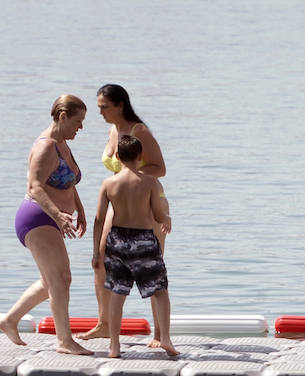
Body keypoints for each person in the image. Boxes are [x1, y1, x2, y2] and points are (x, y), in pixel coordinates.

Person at [0, 95, 92, 355]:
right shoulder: (45, 147)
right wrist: (58, 214)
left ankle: (9, 320)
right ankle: (64, 340)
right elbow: (35, 186)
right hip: (38, 216)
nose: (81, 128)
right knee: (61, 278)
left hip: (52, 218)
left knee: (49, 281)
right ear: (62, 117)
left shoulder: (63, 144)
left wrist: (80, 210)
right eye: (78, 121)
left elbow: (68, 182)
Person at [80, 84, 169, 346]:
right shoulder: (111, 131)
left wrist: (132, 178)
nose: (101, 113)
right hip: (117, 200)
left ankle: (159, 334)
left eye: (104, 107)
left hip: (147, 200)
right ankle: (104, 324)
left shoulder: (139, 132)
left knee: (151, 266)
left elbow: (160, 168)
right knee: (100, 260)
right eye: (99, 108)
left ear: (120, 105)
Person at [92, 134, 178, 359]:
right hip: (143, 240)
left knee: (117, 294)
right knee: (159, 291)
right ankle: (165, 338)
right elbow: (157, 214)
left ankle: (114, 346)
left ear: (118, 157)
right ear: (140, 157)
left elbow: (99, 219)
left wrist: (96, 252)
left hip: (117, 239)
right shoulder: (149, 182)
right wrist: (166, 219)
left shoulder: (109, 183)